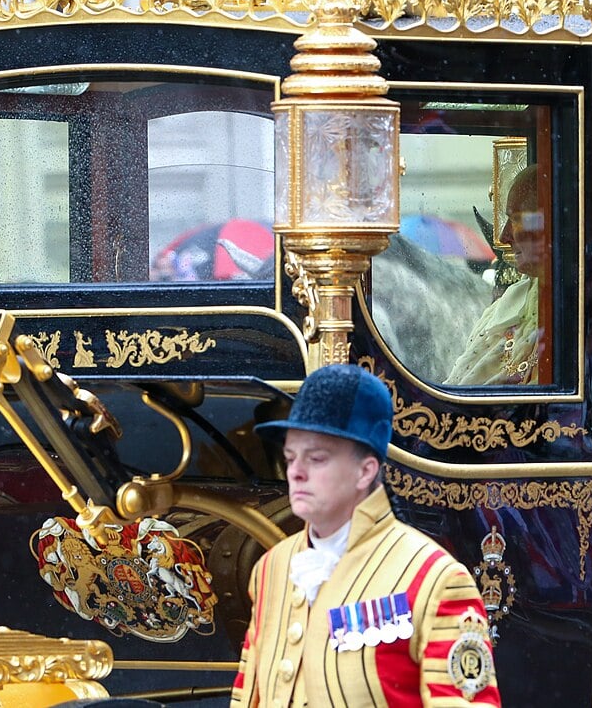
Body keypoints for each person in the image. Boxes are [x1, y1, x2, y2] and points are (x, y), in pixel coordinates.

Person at [230, 364, 500, 708]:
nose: (295, 472)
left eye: (316, 458)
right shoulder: (270, 568)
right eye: (290, 457)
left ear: (366, 470)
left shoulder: (436, 579)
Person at [446, 165, 547, 385]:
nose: (504, 235)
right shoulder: (504, 307)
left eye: (517, 219)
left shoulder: (589, 312)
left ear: (547, 223)